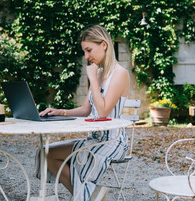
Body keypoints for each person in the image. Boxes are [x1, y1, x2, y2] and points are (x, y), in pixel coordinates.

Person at [39, 25, 130, 200]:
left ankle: (87, 196)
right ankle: (92, 196)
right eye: (84, 52)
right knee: (46, 152)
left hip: (113, 141)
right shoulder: (98, 73)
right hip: (94, 139)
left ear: (104, 44)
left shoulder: (120, 74)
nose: (86, 57)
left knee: (59, 154)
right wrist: (59, 111)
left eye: (89, 50)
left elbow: (103, 112)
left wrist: (93, 79)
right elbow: (86, 109)